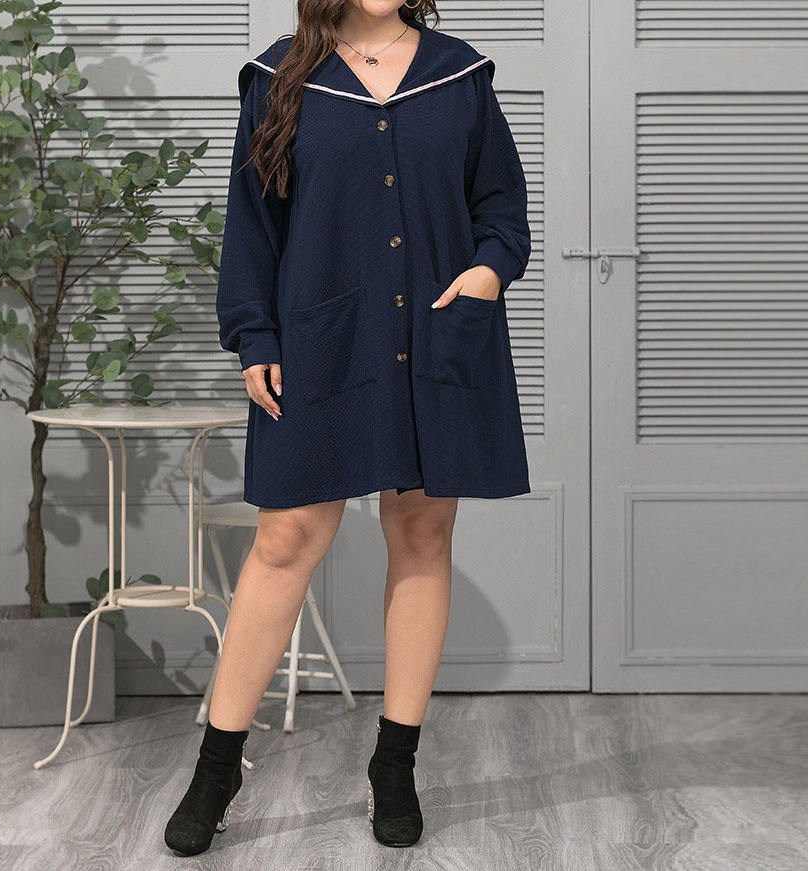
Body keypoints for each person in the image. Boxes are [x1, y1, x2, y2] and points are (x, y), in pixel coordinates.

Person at [164, 0, 531, 856]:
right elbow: (252, 221)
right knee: (286, 539)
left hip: (435, 334)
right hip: (322, 339)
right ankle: (216, 770)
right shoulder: (278, 77)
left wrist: (486, 272)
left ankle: (394, 765)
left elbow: (503, 211)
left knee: (423, 531)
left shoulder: (461, 75)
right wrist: (254, 335)